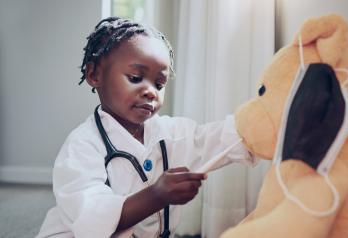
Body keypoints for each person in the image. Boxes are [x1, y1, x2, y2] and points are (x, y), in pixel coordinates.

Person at [36, 17, 256, 238]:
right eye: (135, 78)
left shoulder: (171, 133)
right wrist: (157, 195)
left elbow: (212, 139)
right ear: (94, 75)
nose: (151, 91)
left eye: (159, 84)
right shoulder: (82, 146)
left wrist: (257, 125)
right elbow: (91, 219)